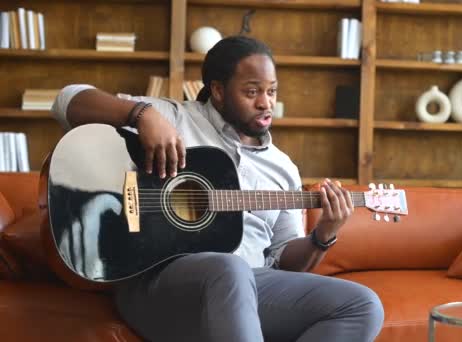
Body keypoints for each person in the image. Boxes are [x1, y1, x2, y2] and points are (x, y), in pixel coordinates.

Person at [51, 35, 384, 342]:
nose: (266, 103)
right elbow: (67, 101)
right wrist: (142, 114)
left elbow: (285, 261)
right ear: (219, 90)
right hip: (159, 284)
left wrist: (323, 234)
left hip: (251, 286)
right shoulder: (175, 118)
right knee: (230, 267)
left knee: (363, 305)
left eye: (272, 91)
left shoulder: (283, 168)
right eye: (252, 91)